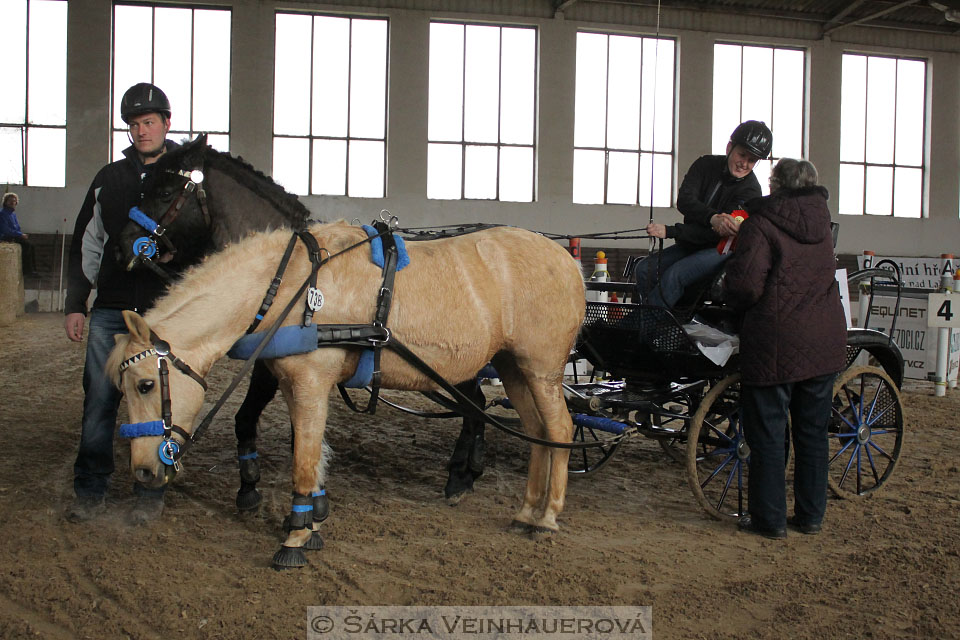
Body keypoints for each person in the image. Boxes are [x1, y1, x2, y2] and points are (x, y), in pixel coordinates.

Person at [64, 83, 181, 525]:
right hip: (111, 307)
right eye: (134, 124)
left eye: (149, 122)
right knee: (98, 399)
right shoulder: (109, 178)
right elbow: (87, 241)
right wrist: (78, 303)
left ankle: (149, 490)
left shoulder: (182, 179)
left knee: (156, 404)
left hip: (159, 311)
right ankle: (90, 489)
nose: (141, 131)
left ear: (166, 124)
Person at [724, 158, 847, 539]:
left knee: (769, 435)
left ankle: (770, 521)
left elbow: (745, 285)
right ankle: (811, 517)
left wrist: (728, 295)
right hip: (823, 341)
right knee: (812, 433)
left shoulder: (762, 223)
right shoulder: (822, 224)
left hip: (776, 343)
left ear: (775, 186)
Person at [635, 120, 772, 308]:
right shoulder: (705, 164)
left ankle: (653, 328)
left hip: (719, 249)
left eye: (752, 160)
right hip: (691, 243)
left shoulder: (751, 191)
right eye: (742, 155)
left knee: (675, 275)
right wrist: (712, 218)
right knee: (643, 269)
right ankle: (663, 323)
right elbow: (685, 200)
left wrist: (672, 231)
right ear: (729, 147)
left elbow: (717, 234)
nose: (744, 164)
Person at [0, 192, 39, 278]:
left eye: (14, 201)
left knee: (31, 245)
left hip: (14, 235)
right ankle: (26, 270)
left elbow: (17, 227)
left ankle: (33, 270)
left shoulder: (13, 214)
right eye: (10, 201)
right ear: (5, 202)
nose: (13, 203)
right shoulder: (2, 214)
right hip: (5, 237)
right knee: (27, 245)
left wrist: (21, 234)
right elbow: (5, 229)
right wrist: (19, 234)